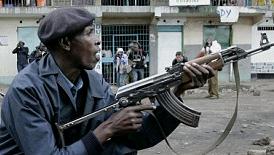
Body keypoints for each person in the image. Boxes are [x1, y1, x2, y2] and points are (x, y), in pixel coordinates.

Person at [0, 8, 215, 155]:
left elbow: (139, 137)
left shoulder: (94, 83)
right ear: (66, 42)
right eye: (89, 33)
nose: (98, 40)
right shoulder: (26, 89)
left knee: (120, 149)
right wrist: (108, 128)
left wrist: (177, 91)